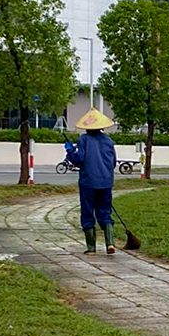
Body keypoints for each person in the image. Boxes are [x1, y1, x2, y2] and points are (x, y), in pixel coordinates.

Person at [64, 109, 117, 256]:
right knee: (105, 212)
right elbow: (113, 163)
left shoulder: (83, 140)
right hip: (106, 183)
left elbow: (78, 159)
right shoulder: (109, 141)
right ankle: (110, 242)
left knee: (88, 213)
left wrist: (70, 151)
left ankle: (92, 248)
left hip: (88, 182)